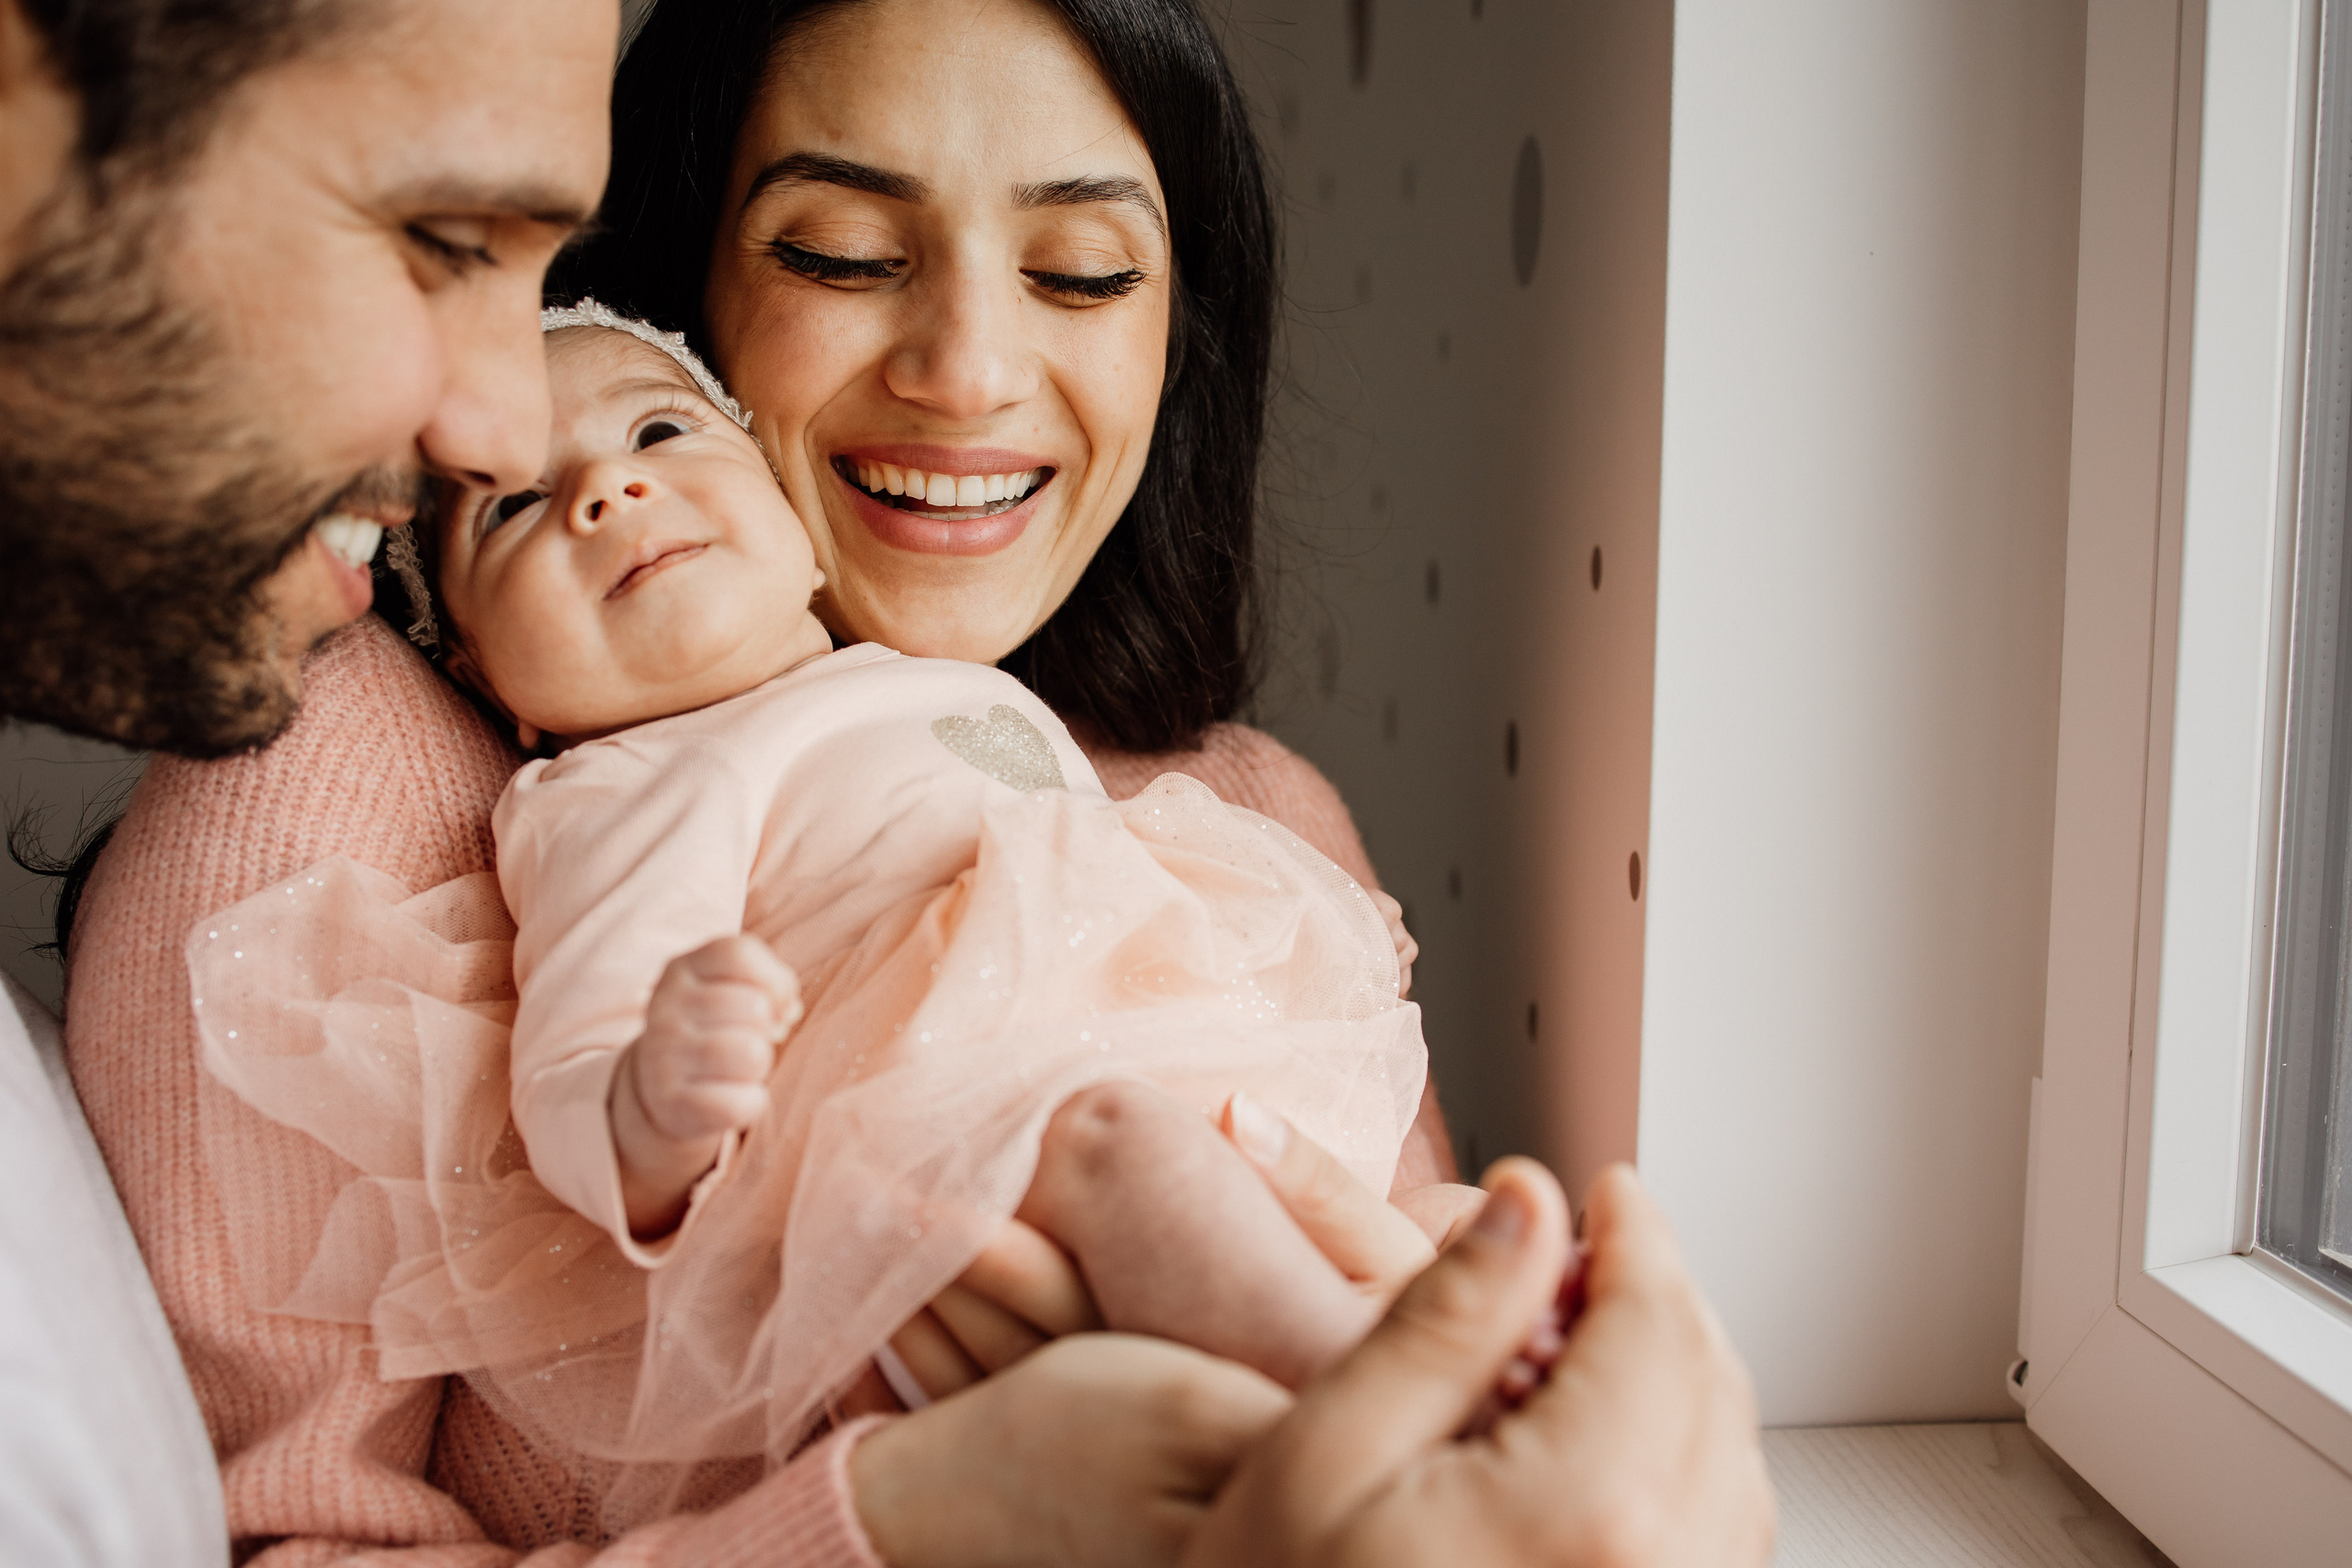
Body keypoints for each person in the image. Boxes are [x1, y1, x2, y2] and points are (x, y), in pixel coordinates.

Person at [0, 0, 1774, 1563]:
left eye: (1086, 273)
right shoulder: (344, 769)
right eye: (841, 253)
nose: (972, 374)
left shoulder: (1250, 831)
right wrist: (909, 1525)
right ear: (663, 283)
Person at [188, 309, 1450, 1487]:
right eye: (514, 506)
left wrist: (1275, 934)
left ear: (796, 522)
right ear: (488, 676)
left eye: (661, 431)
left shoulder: (925, 680)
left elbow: (1089, 861)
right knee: (1126, 1157)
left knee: (1451, 1220)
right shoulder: (624, 785)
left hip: (1188, 1090)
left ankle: (1399, 1389)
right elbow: (575, 1052)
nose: (607, 492)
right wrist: (650, 1104)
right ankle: (1376, 1448)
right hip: (973, 1159)